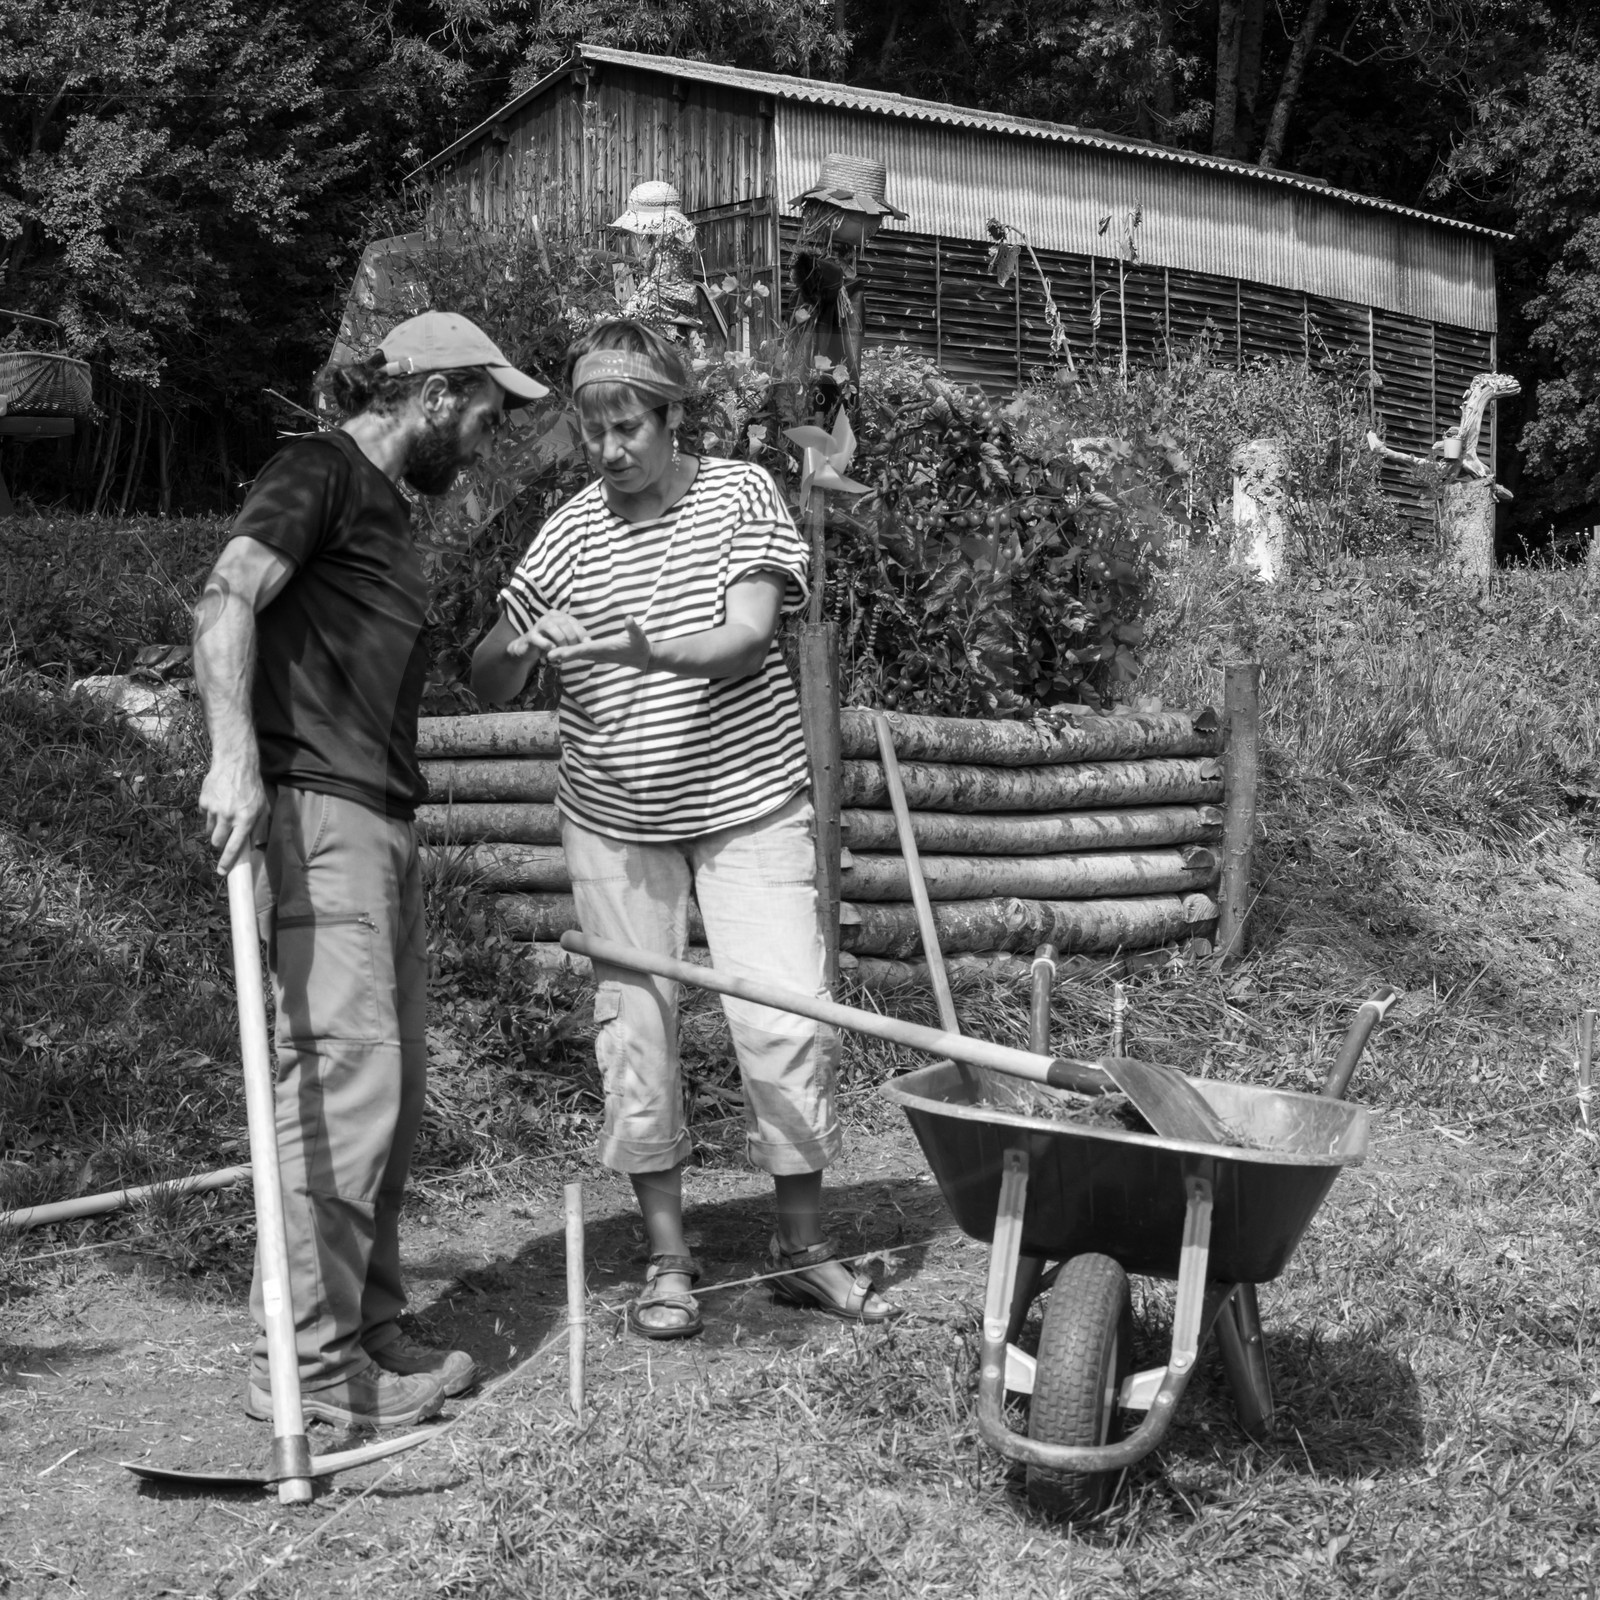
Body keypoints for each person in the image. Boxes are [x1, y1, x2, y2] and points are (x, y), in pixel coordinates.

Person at [471, 319, 894, 1339]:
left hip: (746, 802)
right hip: (614, 818)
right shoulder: (569, 530)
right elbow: (484, 670)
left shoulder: (737, 494)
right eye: (593, 431)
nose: (610, 451)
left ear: (672, 418)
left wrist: (636, 647)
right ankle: (668, 1260)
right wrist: (523, 642)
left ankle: (799, 1250)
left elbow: (749, 639)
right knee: (638, 1033)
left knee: (783, 1013)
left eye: (628, 428)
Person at [193, 311, 548, 1425]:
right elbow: (226, 597)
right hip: (321, 813)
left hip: (383, 822)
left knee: (386, 1098)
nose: (489, 431)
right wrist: (235, 762)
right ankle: (308, 1363)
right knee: (343, 1085)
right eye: (487, 406)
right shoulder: (320, 469)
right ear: (435, 393)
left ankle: (370, 1324)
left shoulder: (387, 510)